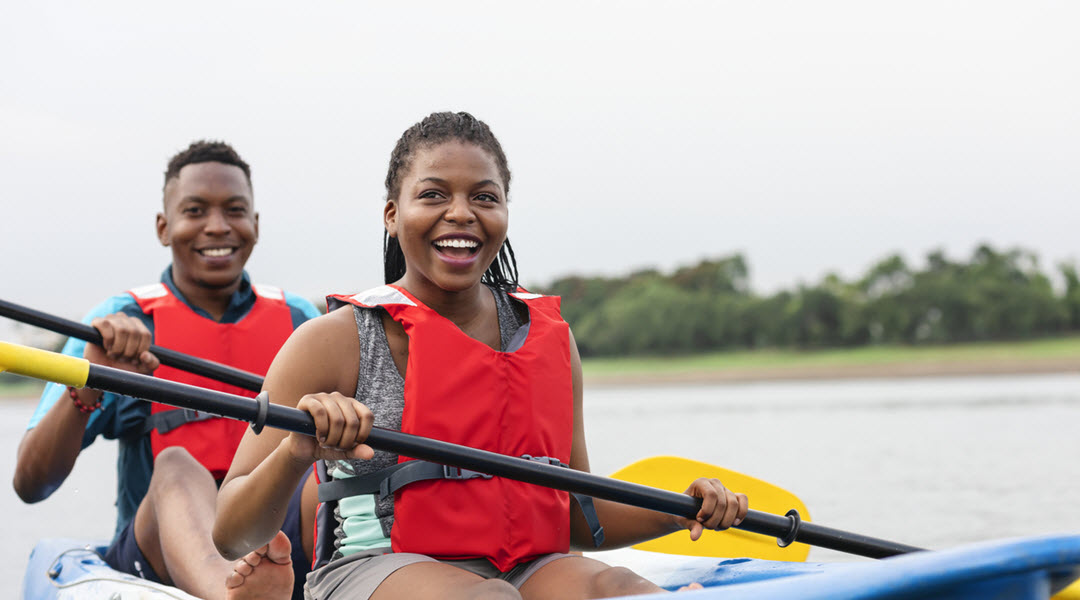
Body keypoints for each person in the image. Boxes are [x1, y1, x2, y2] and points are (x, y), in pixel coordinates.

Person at [213, 112, 749, 599]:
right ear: (392, 215)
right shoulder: (334, 340)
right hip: (374, 570)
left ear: (505, 213)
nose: (461, 214)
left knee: (620, 587)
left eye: (485, 197)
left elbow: (575, 519)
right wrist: (296, 449)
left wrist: (681, 510)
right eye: (434, 195)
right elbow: (232, 533)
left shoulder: (550, 338)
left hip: (525, 567)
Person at [13, 140, 320, 600]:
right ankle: (228, 594)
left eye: (234, 211)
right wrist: (92, 380)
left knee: (325, 469)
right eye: (195, 211)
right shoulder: (121, 319)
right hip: (157, 557)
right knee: (175, 463)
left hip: (274, 542)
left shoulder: (300, 321)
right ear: (164, 226)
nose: (217, 227)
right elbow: (31, 484)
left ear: (254, 225)